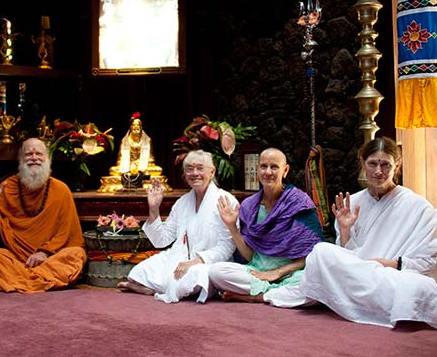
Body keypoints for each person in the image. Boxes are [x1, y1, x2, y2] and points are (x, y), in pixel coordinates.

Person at [299, 136, 437, 332]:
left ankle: (351, 299)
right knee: (321, 251)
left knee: (419, 288)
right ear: (362, 163)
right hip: (360, 275)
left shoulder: (419, 206)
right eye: (373, 164)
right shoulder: (353, 202)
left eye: (385, 165)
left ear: (397, 166)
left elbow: (426, 263)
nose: (379, 171)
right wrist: (345, 229)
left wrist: (383, 263)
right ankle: (365, 299)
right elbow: (348, 257)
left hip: (392, 278)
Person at [0, 137, 87, 293]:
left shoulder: (61, 190)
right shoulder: (7, 187)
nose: (34, 158)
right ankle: (40, 279)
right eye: (28, 154)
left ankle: (20, 279)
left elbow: (67, 233)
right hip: (16, 258)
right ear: (21, 159)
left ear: (47, 158)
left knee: (75, 254)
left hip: (49, 258)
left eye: (39, 154)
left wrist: (44, 252)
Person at [117, 150, 238, 303]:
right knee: (140, 271)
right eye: (189, 169)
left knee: (194, 276)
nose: (195, 173)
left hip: (208, 263)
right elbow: (162, 240)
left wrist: (194, 262)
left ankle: (157, 287)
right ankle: (158, 286)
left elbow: (227, 247)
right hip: (179, 259)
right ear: (184, 174)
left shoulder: (226, 200)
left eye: (200, 168)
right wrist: (154, 208)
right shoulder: (182, 202)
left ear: (212, 172)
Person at [205, 148, 323, 304]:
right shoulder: (249, 206)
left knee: (319, 284)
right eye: (263, 166)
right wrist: (232, 226)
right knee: (216, 272)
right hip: (257, 272)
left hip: (291, 273)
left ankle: (259, 296)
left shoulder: (299, 203)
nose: (268, 172)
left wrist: (277, 273)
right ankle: (277, 294)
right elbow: (249, 256)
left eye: (274, 167)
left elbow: (311, 255)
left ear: (285, 170)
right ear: (257, 169)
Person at [109, 113, 163, 177]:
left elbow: (151, 159)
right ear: (130, 127)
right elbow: (120, 159)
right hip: (128, 165)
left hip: (143, 165)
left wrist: (141, 163)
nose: (136, 127)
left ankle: (139, 173)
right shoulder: (124, 141)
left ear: (141, 127)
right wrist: (130, 164)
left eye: (138, 125)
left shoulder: (148, 140)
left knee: (158, 170)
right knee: (113, 170)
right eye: (133, 125)